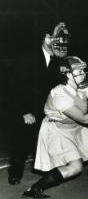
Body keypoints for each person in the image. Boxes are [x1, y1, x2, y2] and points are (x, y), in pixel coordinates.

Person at [22, 56, 88, 199]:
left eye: (83, 71)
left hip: (74, 127)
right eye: (79, 72)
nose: (83, 74)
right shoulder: (59, 94)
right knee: (75, 168)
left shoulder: (83, 87)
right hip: (56, 130)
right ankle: (33, 190)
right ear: (67, 74)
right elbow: (84, 118)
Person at [8, 22, 70, 185]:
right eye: (55, 37)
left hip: (44, 108)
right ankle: (15, 173)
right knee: (21, 141)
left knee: (46, 139)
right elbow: (15, 86)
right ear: (45, 38)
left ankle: (48, 170)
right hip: (24, 107)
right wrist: (24, 111)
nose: (59, 41)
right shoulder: (28, 57)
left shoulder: (58, 60)